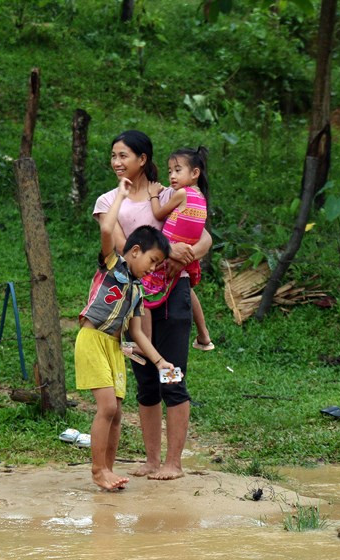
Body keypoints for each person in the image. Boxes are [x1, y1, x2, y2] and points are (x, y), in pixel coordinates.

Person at [93, 130, 213, 481]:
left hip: (174, 293)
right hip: (133, 300)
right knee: (146, 379)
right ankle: (151, 460)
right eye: (113, 156)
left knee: (172, 376)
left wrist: (184, 253)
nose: (116, 163)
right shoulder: (107, 201)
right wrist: (168, 251)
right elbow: (120, 246)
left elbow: (203, 234)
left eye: (123, 156)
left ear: (142, 159)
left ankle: (174, 462)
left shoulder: (170, 192)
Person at [77, 176, 173, 491]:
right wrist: (119, 194)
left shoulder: (138, 291)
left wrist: (160, 362)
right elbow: (107, 229)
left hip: (115, 347)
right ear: (134, 251)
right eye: (153, 260)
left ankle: (108, 469)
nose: (154, 268)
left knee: (116, 413)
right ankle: (96, 471)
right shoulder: (112, 265)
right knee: (106, 407)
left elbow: (137, 333)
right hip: (92, 341)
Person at [143, 145, 214, 351]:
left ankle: (144, 342)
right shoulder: (200, 197)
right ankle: (203, 336)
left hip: (166, 256)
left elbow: (158, 214)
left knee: (144, 295)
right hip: (186, 260)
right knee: (185, 290)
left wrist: (154, 194)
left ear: (195, 173)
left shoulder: (181, 194)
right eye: (170, 171)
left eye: (177, 170)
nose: (172, 176)